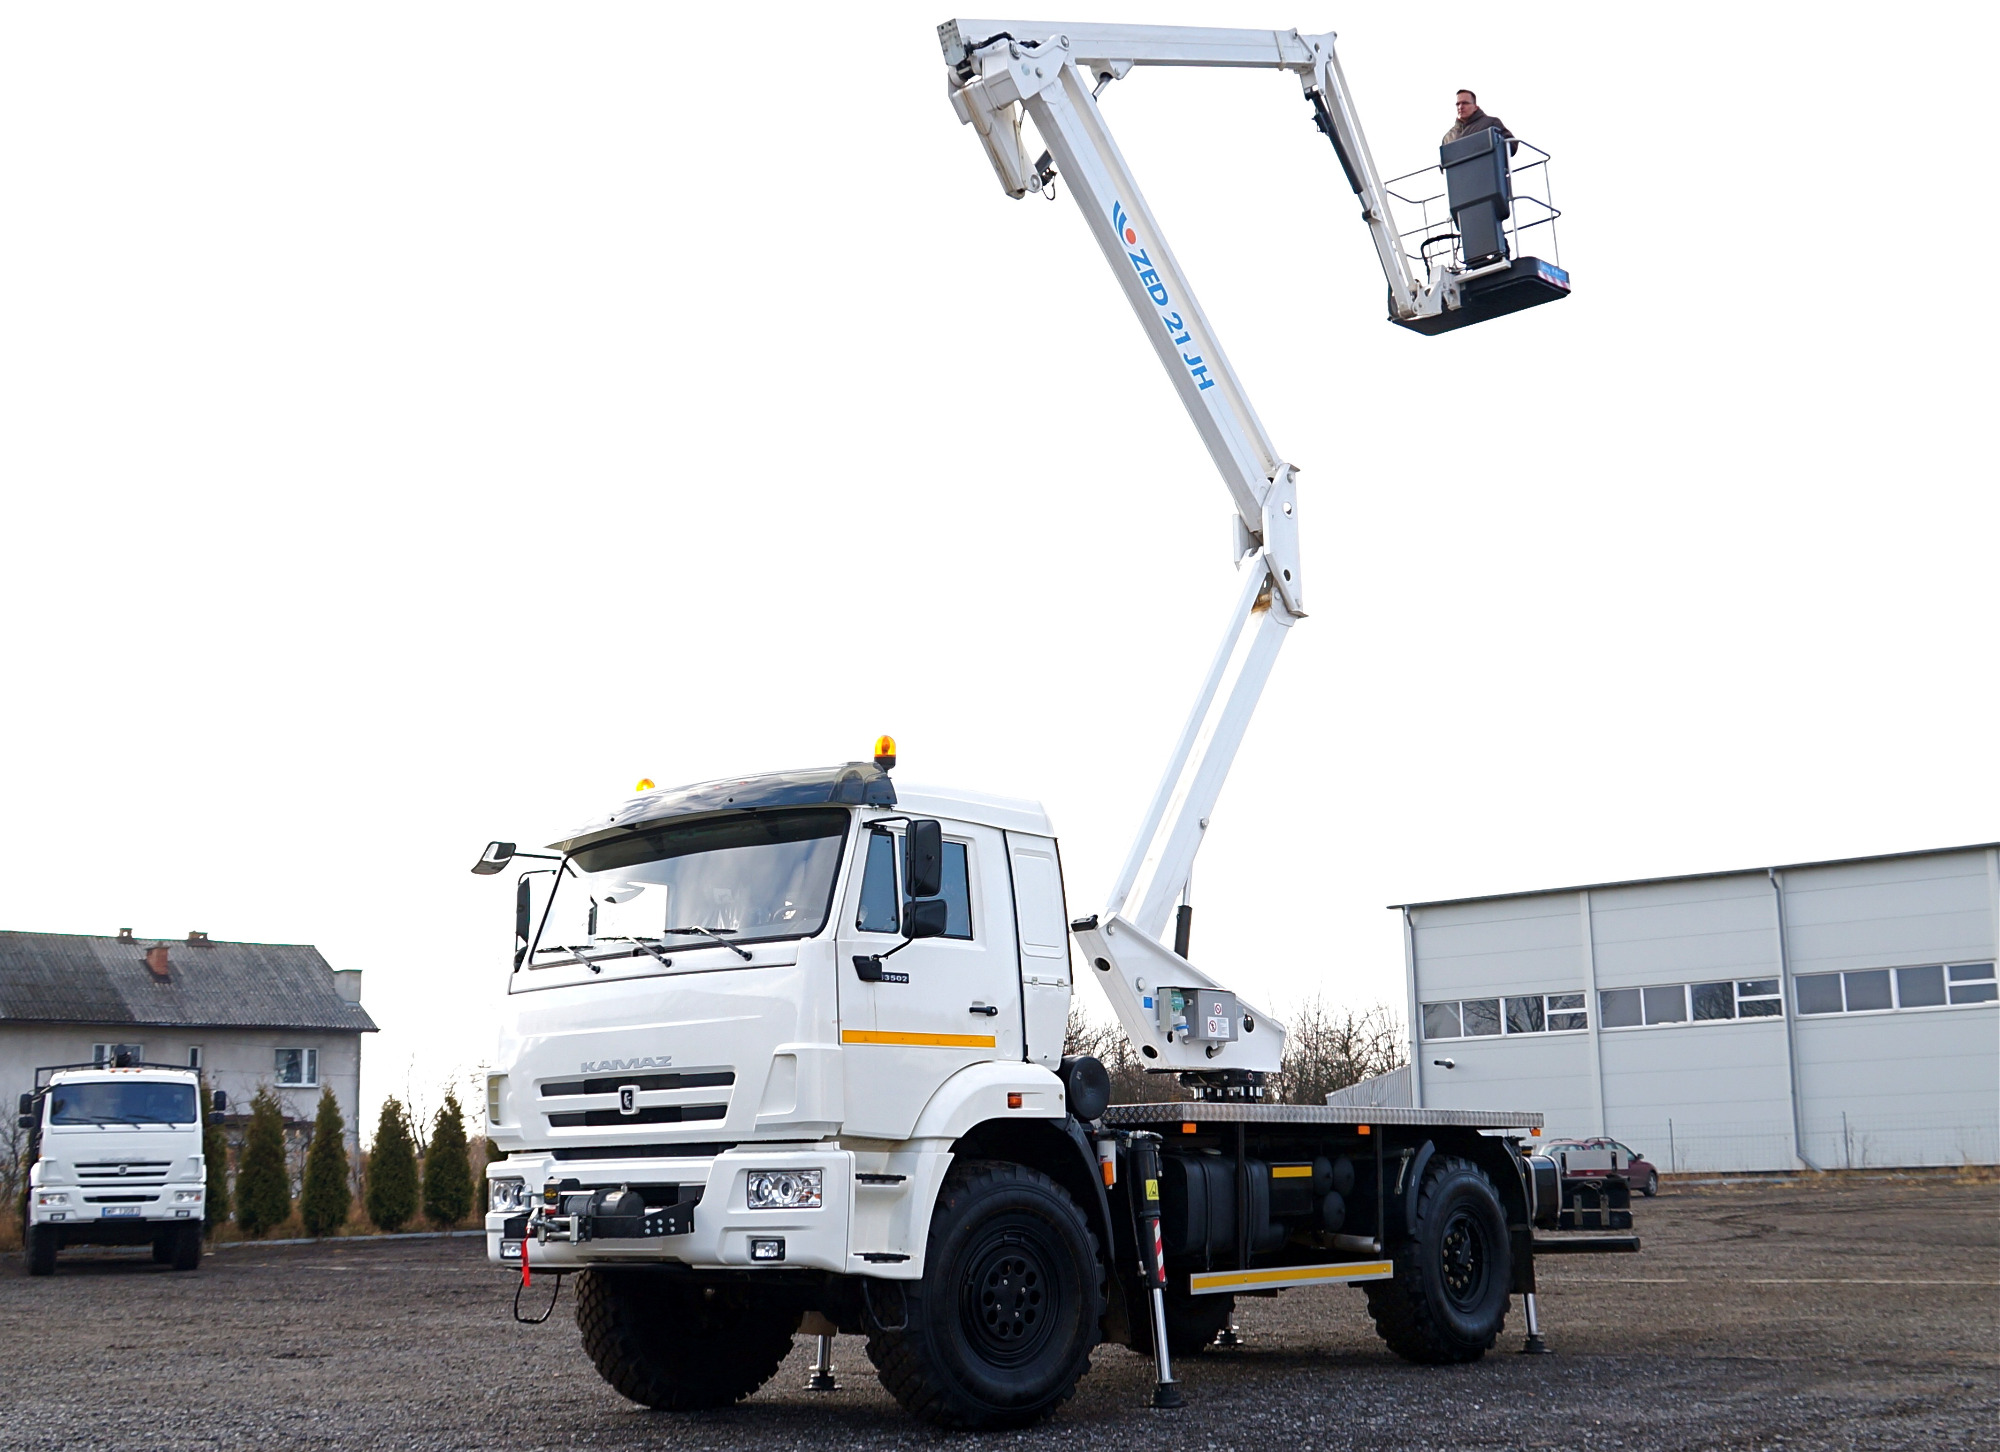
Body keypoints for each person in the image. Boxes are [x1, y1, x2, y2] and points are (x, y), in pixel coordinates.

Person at [1443, 89, 1515, 150]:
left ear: (1475, 107)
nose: (1460, 107)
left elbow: (1512, 144)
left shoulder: (1491, 123)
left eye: (1465, 103)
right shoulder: (1448, 138)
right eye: (1458, 104)